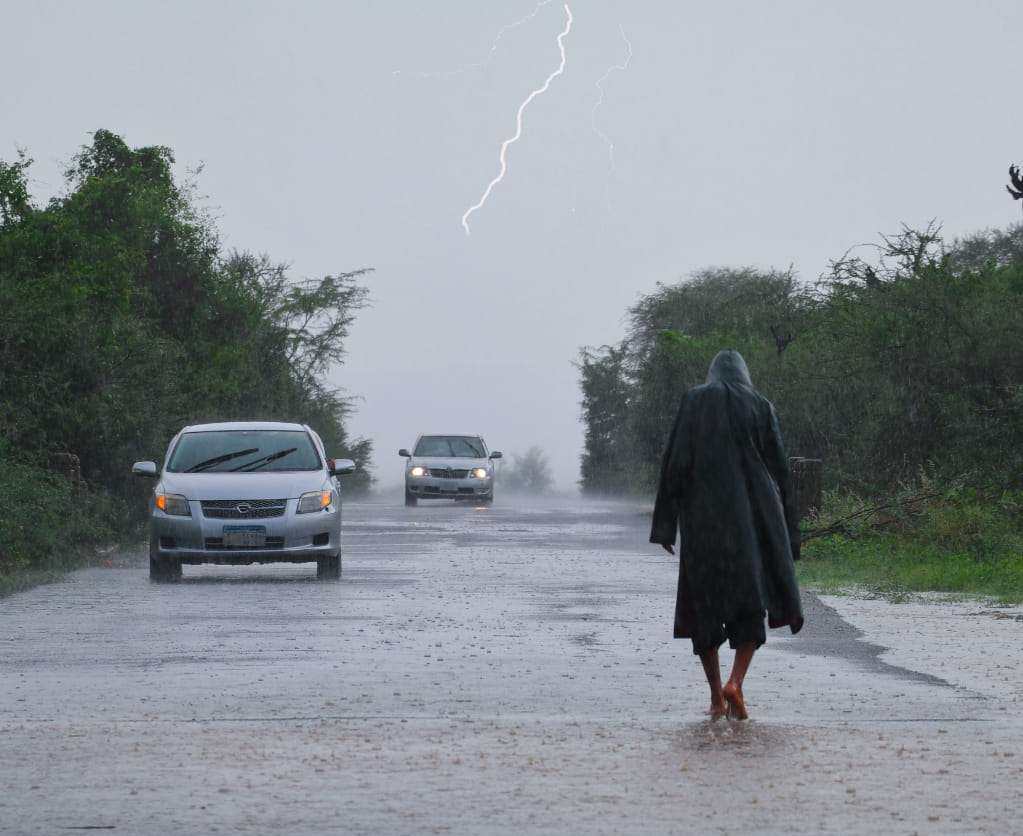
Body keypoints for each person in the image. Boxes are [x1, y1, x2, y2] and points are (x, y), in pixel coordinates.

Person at [650, 349, 803, 720]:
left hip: (703, 519)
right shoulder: (761, 406)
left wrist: (666, 524)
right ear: (745, 375)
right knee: (750, 605)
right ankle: (736, 682)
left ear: (712, 374)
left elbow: (675, 462)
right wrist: (790, 535)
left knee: (704, 607)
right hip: (751, 519)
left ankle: (717, 698)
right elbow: (780, 471)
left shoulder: (693, 401)